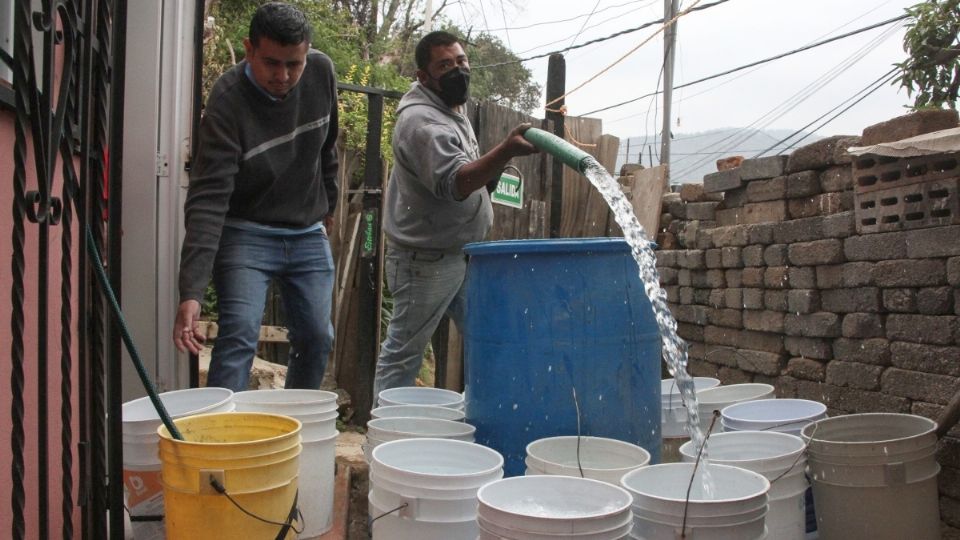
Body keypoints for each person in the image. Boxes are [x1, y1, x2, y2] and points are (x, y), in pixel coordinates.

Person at [173, 2, 338, 392]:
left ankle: (293, 428)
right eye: (271, 63)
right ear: (249, 50)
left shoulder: (321, 71)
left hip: (306, 231)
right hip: (245, 231)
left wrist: (327, 204)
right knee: (239, 336)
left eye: (293, 64)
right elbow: (209, 198)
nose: (283, 76)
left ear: (307, 52)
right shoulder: (228, 101)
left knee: (318, 337)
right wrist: (192, 292)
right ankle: (223, 440)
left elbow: (327, 146)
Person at [372, 30, 539, 401]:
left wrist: (491, 175)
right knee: (403, 356)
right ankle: (381, 440)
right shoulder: (421, 124)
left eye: (461, 61)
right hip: (424, 261)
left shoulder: (450, 108)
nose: (457, 70)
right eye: (444, 65)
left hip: (462, 254)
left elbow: (469, 175)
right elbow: (455, 182)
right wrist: (505, 152)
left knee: (491, 336)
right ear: (423, 76)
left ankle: (489, 422)